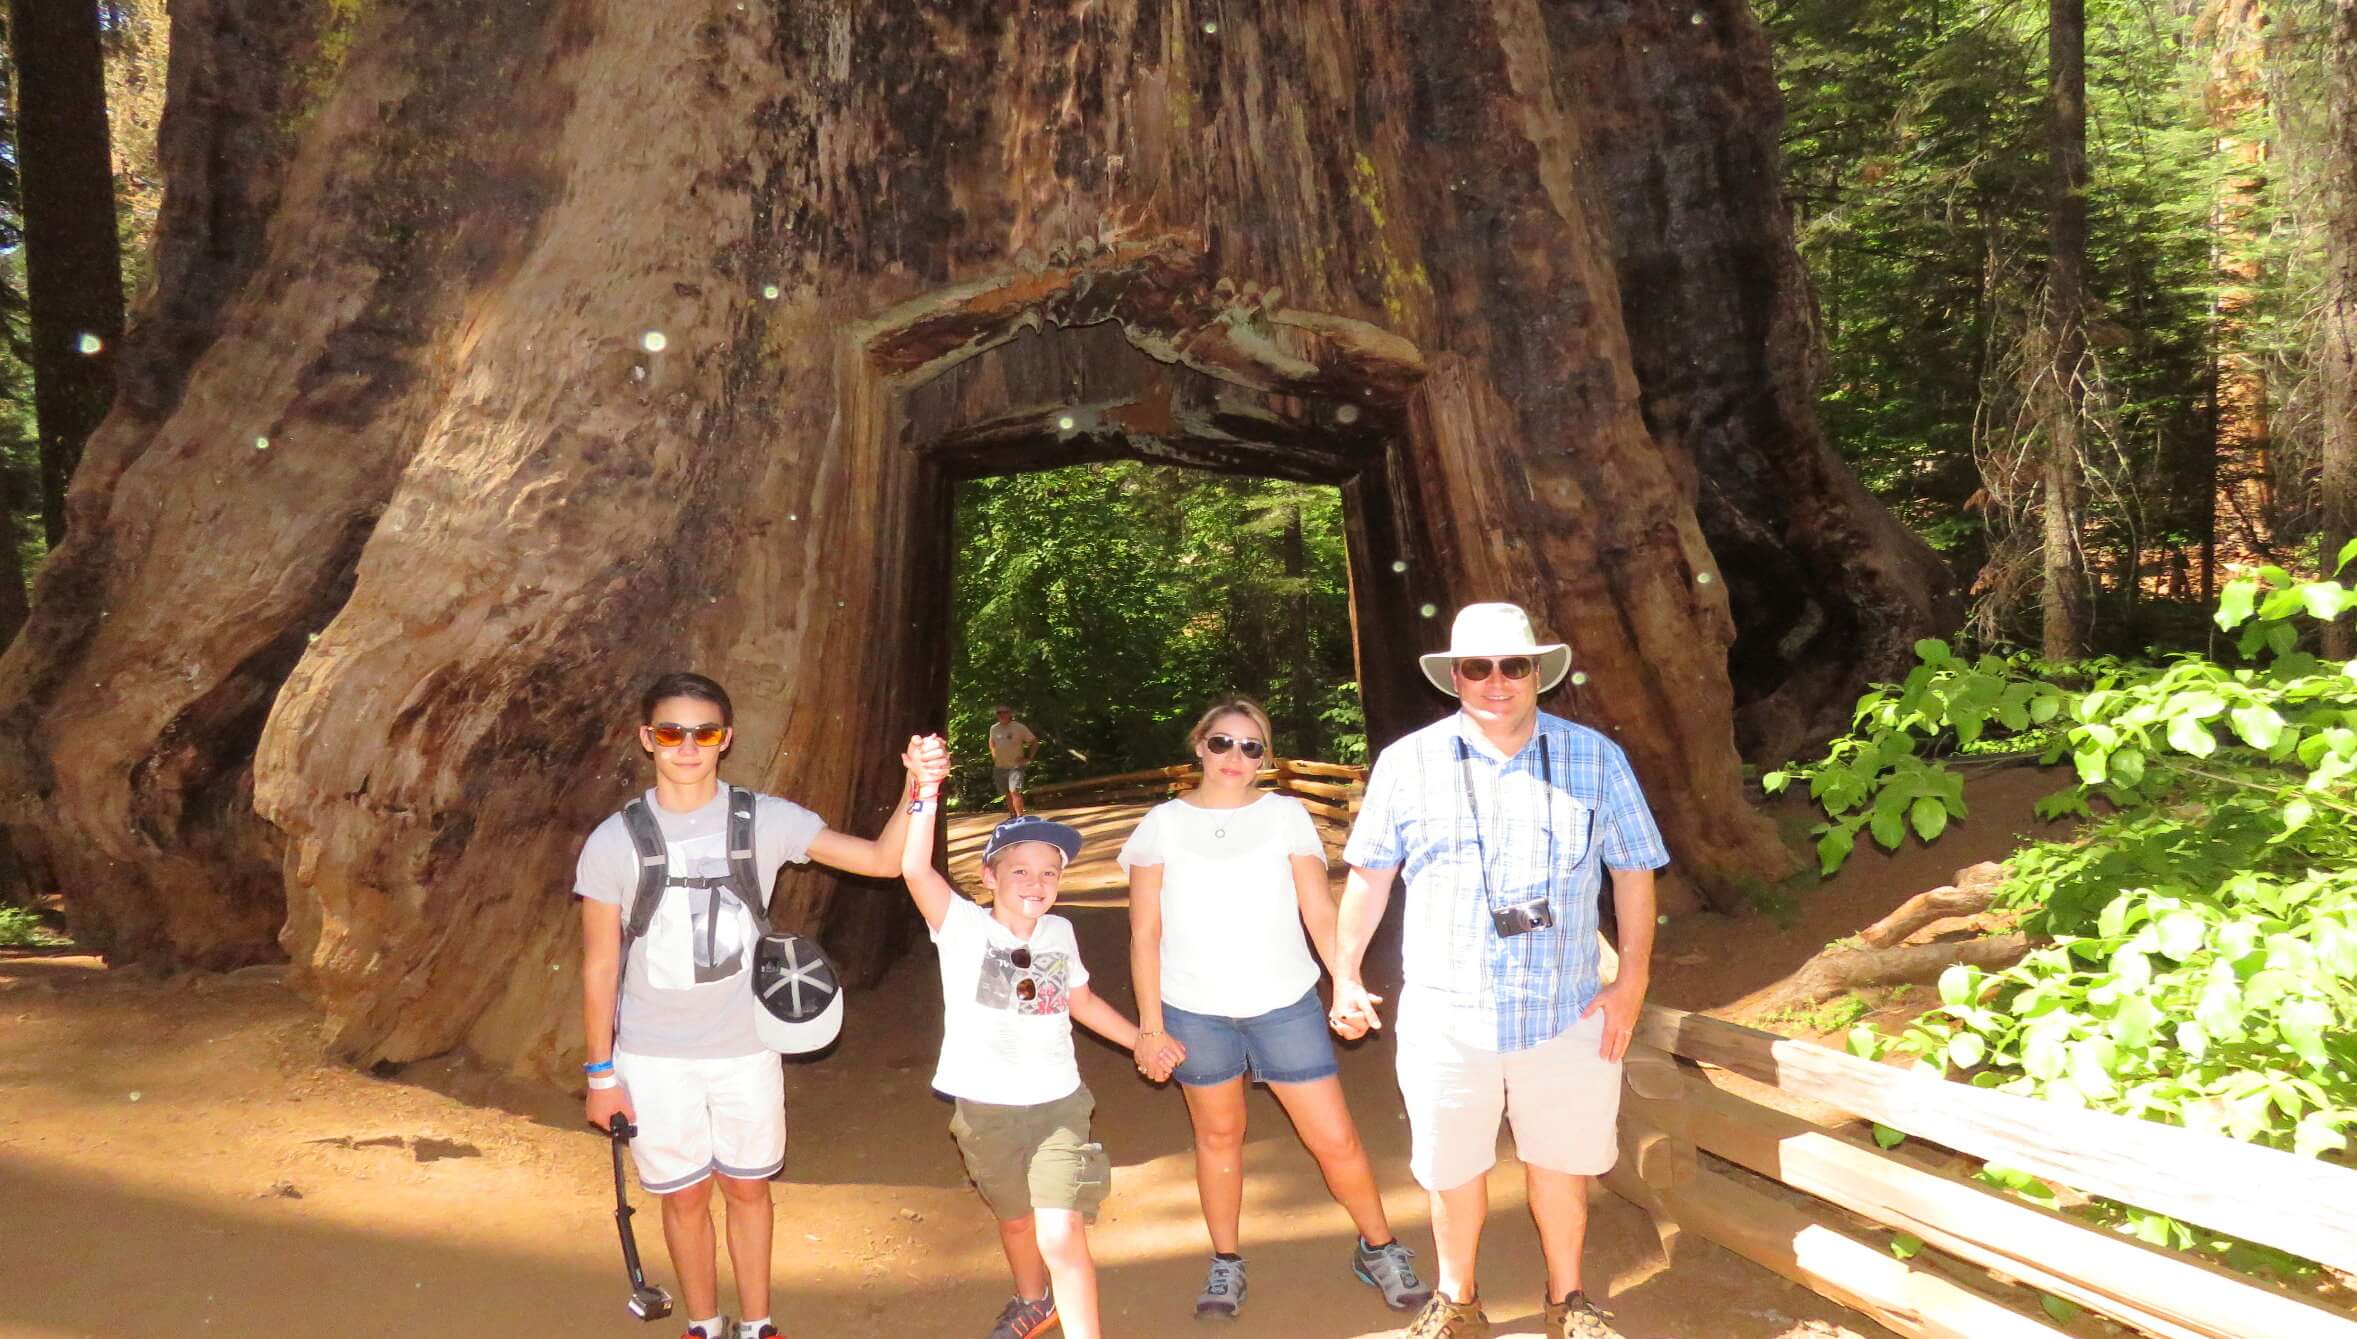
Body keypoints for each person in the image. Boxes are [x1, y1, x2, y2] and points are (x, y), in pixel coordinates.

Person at [1329, 604, 1670, 1339]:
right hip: (1446, 1014)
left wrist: (1631, 979)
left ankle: (1568, 1302)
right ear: (1454, 676)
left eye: (1512, 665)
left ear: (1536, 673)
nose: (1495, 681)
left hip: (1567, 1008)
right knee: (1452, 1171)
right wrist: (1345, 974)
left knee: (1560, 1165)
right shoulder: (1407, 762)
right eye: (1477, 667)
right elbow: (1368, 878)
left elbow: (1635, 871)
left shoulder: (1595, 757)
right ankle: (1456, 1302)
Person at [576, 672, 933, 1339]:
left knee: (747, 1188)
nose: (688, 746)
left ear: (726, 739)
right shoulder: (612, 840)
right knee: (683, 1197)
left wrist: (918, 786)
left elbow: (884, 861)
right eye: (672, 732)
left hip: (745, 1047)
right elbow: (600, 963)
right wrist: (601, 1074)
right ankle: (706, 1324)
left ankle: (758, 1323)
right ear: (646, 739)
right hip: (654, 1054)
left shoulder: (765, 819)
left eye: (704, 732)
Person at [1119, 696, 1432, 1321]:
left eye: (1252, 746)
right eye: (1223, 742)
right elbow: (1144, 933)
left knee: (1335, 1137)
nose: (1235, 756)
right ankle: (1226, 1262)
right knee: (1217, 1136)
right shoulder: (1162, 825)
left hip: (1283, 1004)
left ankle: (1380, 1248)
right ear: (1199, 745)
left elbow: (1319, 909)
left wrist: (1344, 979)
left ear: (1265, 758)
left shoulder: (1286, 816)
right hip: (1193, 1011)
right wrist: (1150, 1028)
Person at [900, 733, 1167, 1339]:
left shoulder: (1059, 934)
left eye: (1049, 872)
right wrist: (925, 788)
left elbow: (1083, 1003)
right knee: (1016, 1222)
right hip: (985, 1110)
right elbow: (914, 867)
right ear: (988, 876)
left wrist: (1142, 1040)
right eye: (1019, 869)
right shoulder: (961, 927)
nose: (1035, 881)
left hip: (1058, 1107)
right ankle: (1032, 1301)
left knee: (1059, 1231)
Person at [989, 705, 1040, 816]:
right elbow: (992, 744)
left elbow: (1034, 742)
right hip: (1000, 766)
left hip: (1015, 766)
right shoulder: (994, 728)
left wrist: (1028, 758)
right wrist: (995, 757)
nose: (1002, 715)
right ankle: (1012, 816)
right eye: (999, 713)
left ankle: (1020, 816)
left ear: (1010, 713)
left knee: (1014, 791)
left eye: (1005, 712)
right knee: (1007, 793)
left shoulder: (1018, 727)